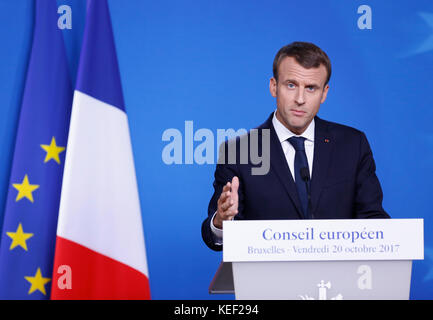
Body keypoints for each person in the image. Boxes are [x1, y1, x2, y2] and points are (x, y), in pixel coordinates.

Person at [201, 41, 390, 251]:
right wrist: (222, 220)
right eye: (291, 85)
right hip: (267, 280)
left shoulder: (352, 145)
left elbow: (374, 220)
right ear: (274, 86)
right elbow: (214, 236)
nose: (300, 99)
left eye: (311, 88)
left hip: (338, 281)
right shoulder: (238, 152)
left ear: (324, 93)